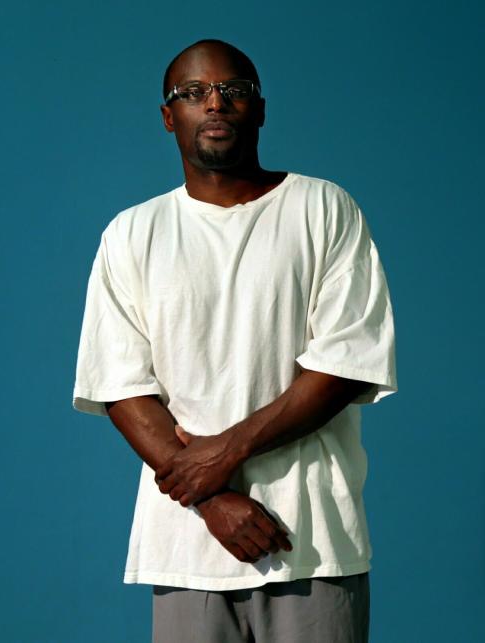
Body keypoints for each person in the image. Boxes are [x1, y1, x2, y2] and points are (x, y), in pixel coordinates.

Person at [72, 38, 397, 643]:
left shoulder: (323, 207)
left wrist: (225, 452)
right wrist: (212, 500)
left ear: (261, 108)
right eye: (193, 93)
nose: (215, 102)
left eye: (234, 90)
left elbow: (345, 365)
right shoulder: (132, 233)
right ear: (169, 117)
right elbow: (121, 387)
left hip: (311, 538)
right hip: (186, 545)